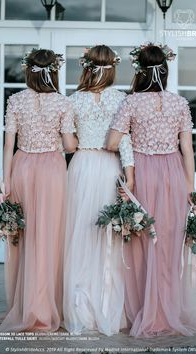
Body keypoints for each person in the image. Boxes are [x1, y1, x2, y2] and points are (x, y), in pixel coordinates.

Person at [107, 43, 196, 337]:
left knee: (144, 242)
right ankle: (166, 311)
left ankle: (145, 311)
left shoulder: (131, 103)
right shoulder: (179, 103)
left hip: (145, 173)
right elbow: (187, 149)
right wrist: (190, 189)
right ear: (165, 70)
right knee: (169, 243)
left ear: (139, 72)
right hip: (173, 174)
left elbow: (112, 142)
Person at [0, 49, 77, 332]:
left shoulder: (15, 100)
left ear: (28, 71)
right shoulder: (63, 103)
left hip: (22, 167)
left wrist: (4, 183)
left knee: (24, 235)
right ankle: (43, 306)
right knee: (48, 237)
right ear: (53, 71)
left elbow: (8, 145)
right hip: (52, 171)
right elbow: (69, 146)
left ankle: (22, 307)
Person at [63, 45, 134, 336]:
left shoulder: (72, 100)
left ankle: (79, 305)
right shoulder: (121, 100)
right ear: (112, 69)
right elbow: (125, 142)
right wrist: (129, 178)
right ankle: (107, 306)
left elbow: (67, 144)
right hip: (109, 168)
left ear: (86, 68)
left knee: (80, 234)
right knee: (108, 239)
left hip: (81, 166)